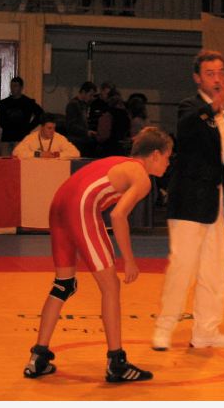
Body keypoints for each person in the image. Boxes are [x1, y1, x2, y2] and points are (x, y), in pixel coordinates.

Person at [23, 126, 173, 383]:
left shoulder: (119, 162)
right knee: (111, 286)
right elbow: (118, 215)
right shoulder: (142, 177)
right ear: (155, 155)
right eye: (168, 157)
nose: (169, 164)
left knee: (63, 285)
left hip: (59, 204)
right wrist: (129, 260)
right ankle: (117, 362)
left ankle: (39, 357)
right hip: (80, 207)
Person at [152, 49, 224, 351]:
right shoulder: (190, 108)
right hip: (188, 200)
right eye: (210, 73)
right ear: (197, 78)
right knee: (182, 268)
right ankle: (164, 328)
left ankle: (206, 331)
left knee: (214, 270)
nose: (217, 78)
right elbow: (187, 131)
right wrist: (213, 107)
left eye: (221, 73)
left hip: (215, 202)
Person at [0, 77, 44, 156]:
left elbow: (40, 114)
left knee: (19, 160)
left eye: (15, 86)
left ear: (21, 88)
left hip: (21, 138)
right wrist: (8, 126)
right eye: (11, 86)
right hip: (6, 137)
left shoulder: (28, 102)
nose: (13, 88)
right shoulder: (4, 103)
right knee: (5, 160)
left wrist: (29, 127)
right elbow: (1, 120)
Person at [12, 113, 80, 159]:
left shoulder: (60, 138)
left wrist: (56, 154)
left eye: (54, 128)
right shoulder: (31, 138)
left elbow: (76, 153)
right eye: (49, 128)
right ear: (41, 127)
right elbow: (16, 152)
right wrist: (39, 154)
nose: (52, 131)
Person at [65, 81, 97, 157]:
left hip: (82, 140)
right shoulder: (73, 105)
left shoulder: (83, 105)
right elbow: (71, 125)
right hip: (76, 141)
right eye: (90, 95)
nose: (91, 98)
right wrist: (86, 132)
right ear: (83, 92)